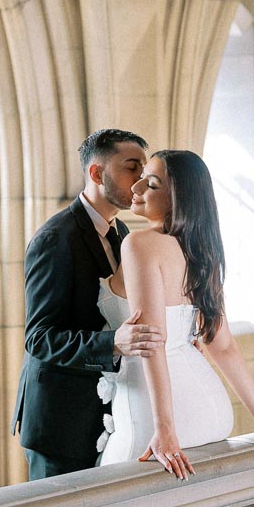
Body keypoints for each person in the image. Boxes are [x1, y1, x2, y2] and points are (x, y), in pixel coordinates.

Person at [97, 149, 254, 478]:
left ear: (178, 199)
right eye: (140, 179)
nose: (136, 188)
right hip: (212, 411)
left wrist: (165, 428)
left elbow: (153, 341)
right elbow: (223, 346)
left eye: (151, 184)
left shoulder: (139, 243)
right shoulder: (200, 249)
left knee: (112, 502)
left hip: (155, 415)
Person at [11, 128, 166, 480]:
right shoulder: (54, 239)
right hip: (60, 423)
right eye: (131, 167)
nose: (141, 180)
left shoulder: (122, 233)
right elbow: (39, 338)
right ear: (96, 173)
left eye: (144, 170)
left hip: (106, 415)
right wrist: (112, 344)